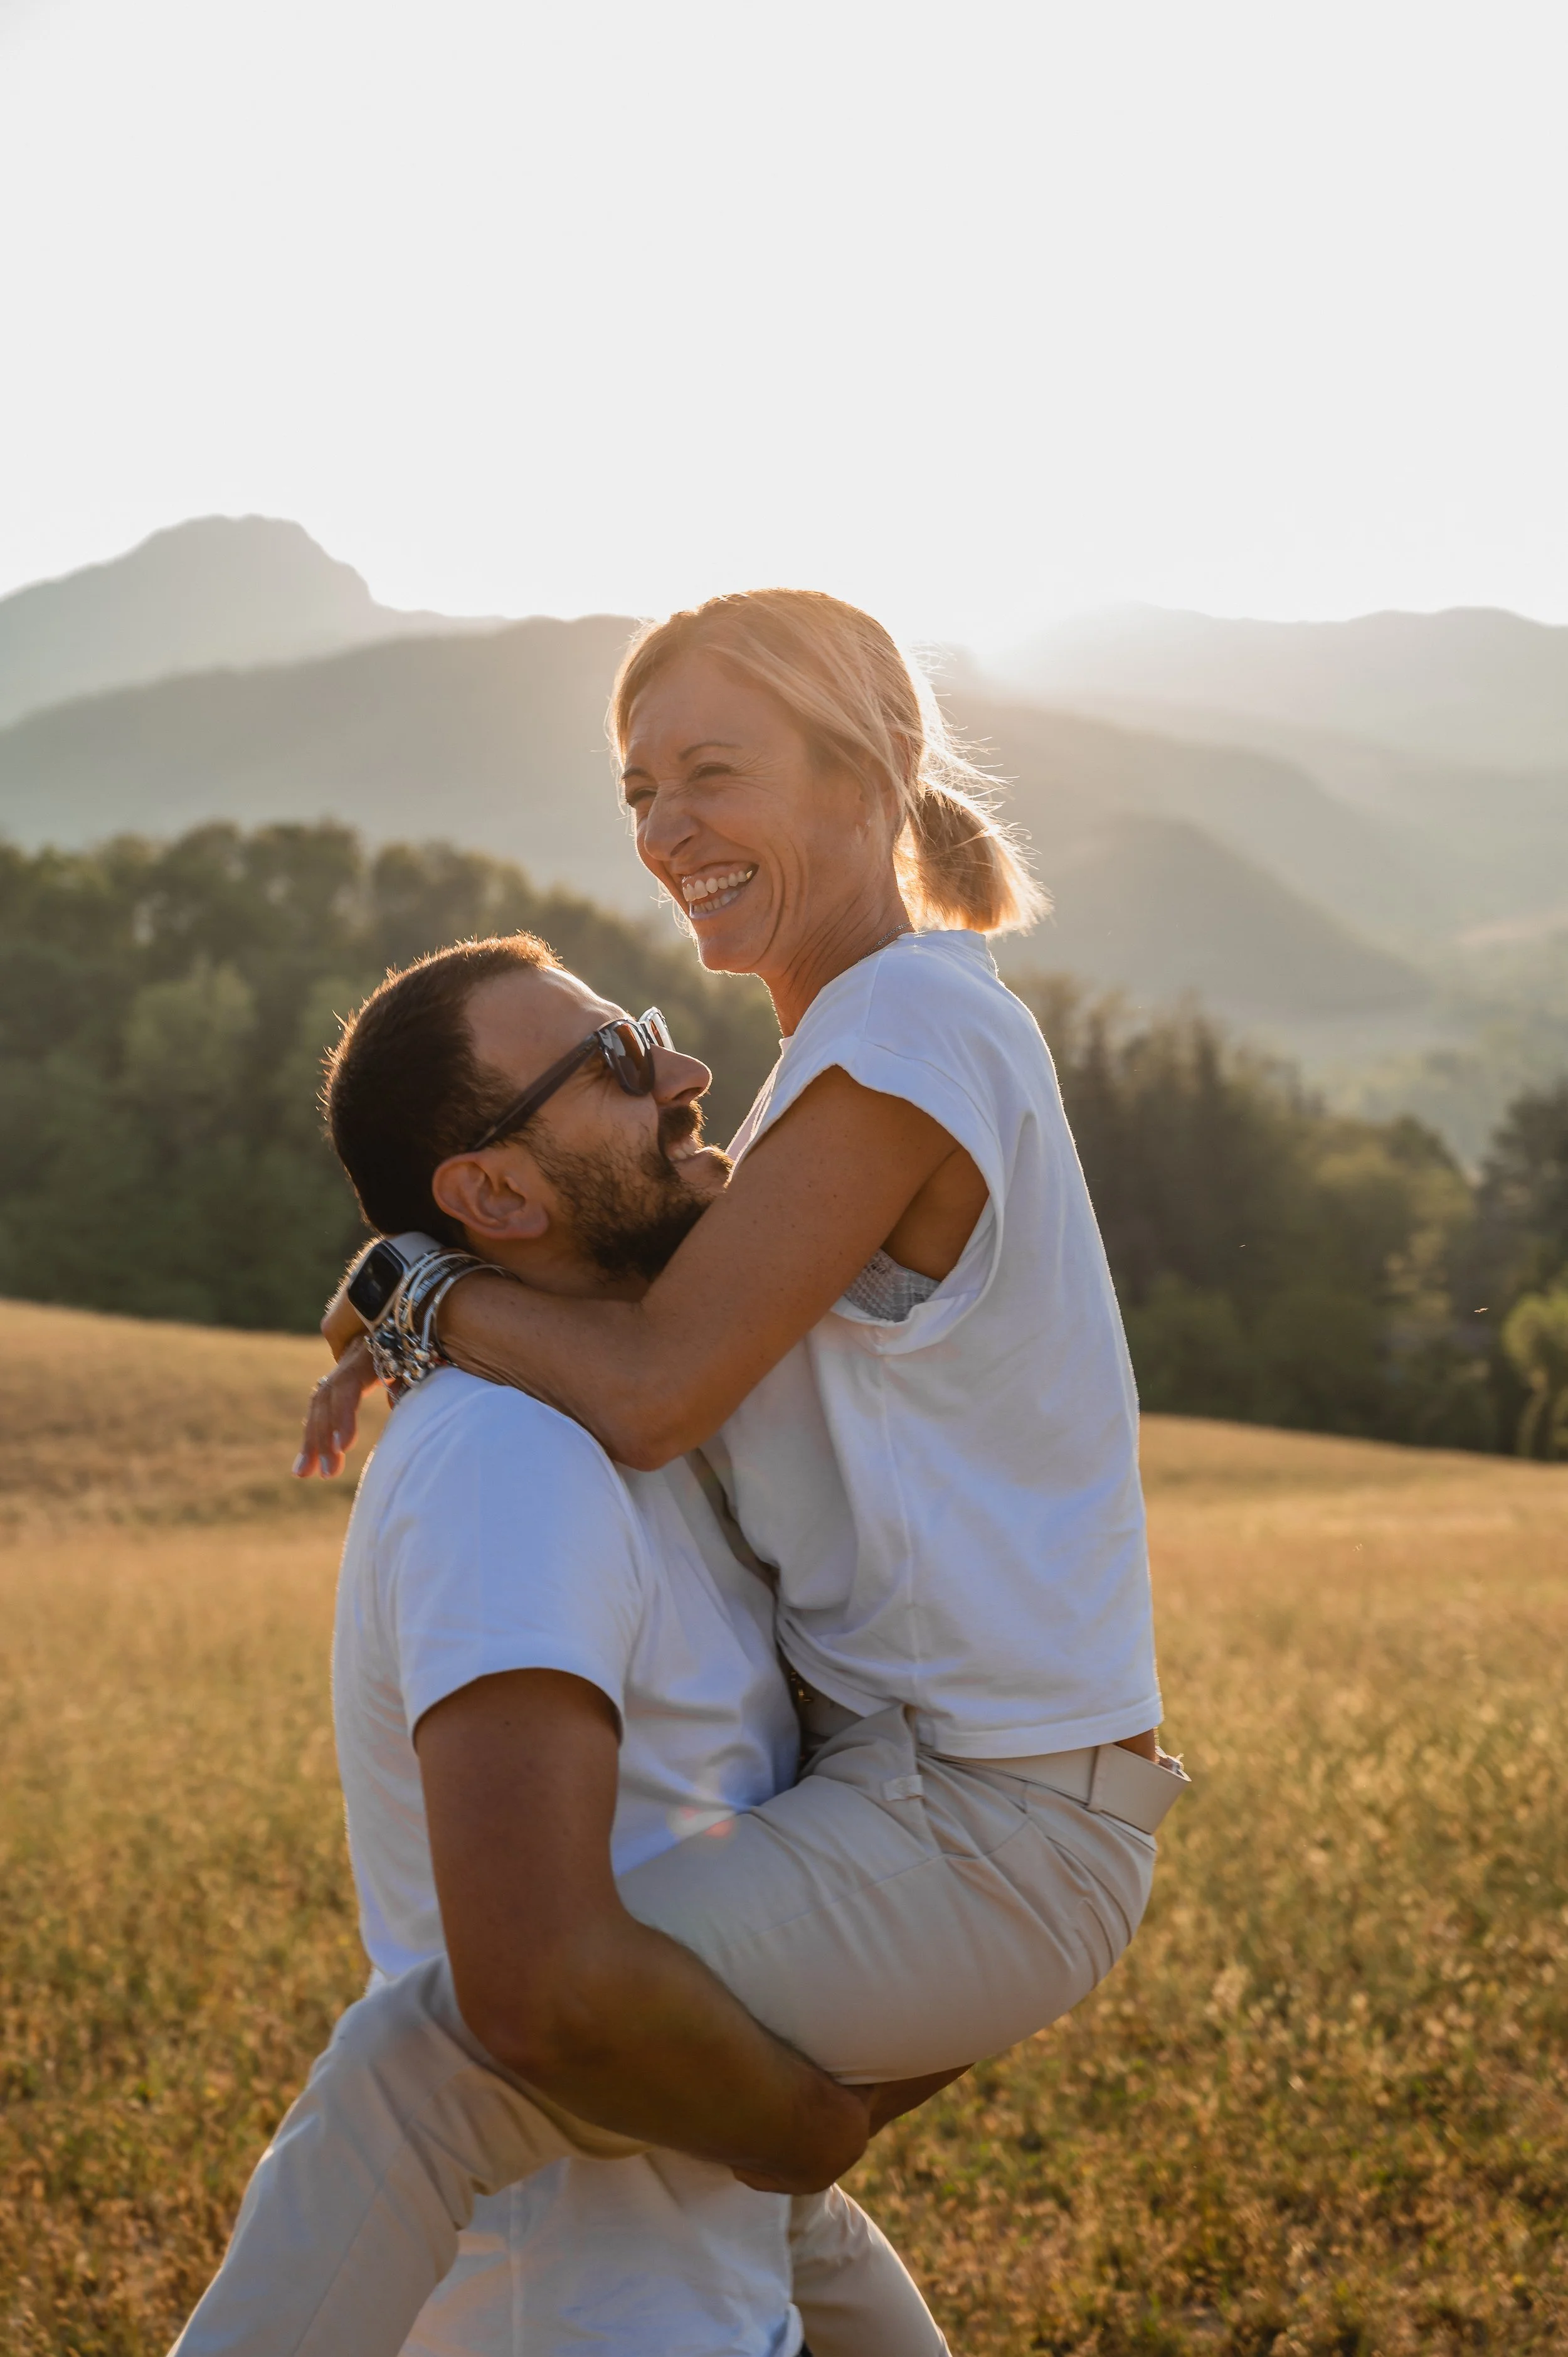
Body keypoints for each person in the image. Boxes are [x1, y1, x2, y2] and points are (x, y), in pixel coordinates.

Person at [188, 589, 1185, 2357]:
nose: (663, 833)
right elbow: (633, 1270)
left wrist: (417, 1282)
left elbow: (648, 1384)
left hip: (982, 1812)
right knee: (685, 2133)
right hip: (940, 1794)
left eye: (710, 772)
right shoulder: (839, 1068)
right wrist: (419, 1274)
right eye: (639, 789)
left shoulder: (909, 1030)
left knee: (441, 2058)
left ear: (869, 769)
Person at [176, 934, 949, 2357]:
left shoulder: (645, 1424)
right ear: (496, 1192)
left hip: (699, 2248)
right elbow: (533, 1988)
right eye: (613, 1057)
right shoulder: (511, 1464)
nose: (684, 1070)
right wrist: (812, 2125)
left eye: (643, 1027)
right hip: (577, 2305)